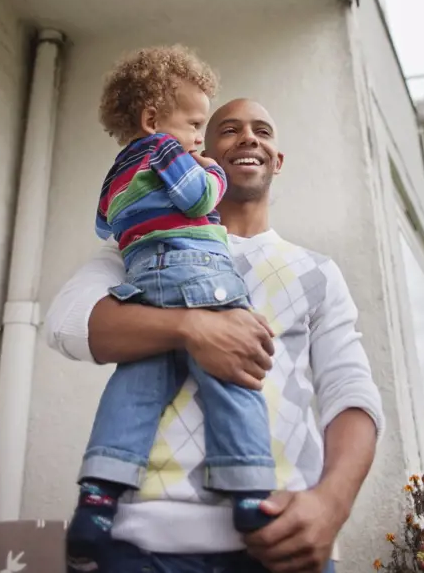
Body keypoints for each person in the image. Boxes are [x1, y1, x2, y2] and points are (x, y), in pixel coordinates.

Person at [46, 97, 385, 573]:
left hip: (279, 538)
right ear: (199, 152)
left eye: (262, 131)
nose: (249, 137)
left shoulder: (318, 272)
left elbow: (350, 393)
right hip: (137, 542)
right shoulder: (144, 242)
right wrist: (191, 327)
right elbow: (65, 323)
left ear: (278, 160)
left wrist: (332, 503)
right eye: (229, 129)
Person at [67, 46, 277, 570]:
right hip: (197, 273)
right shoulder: (165, 148)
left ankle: (98, 497)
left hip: (142, 281)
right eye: (197, 123)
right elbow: (198, 199)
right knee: (232, 379)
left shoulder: (118, 169)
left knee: (134, 388)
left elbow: (104, 225)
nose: (201, 138)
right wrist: (212, 174)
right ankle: (249, 492)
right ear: (152, 120)